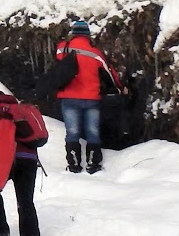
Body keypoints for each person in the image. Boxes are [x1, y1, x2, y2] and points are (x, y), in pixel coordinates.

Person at [39, 19, 123, 174]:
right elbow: (109, 73)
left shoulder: (62, 49)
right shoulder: (95, 53)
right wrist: (119, 87)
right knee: (93, 131)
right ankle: (93, 165)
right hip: (91, 98)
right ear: (88, 35)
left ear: (73, 33)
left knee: (72, 131)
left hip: (69, 97)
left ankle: (74, 165)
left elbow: (57, 68)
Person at [0, 89, 45, 236]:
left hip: (7, 158)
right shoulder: (20, 109)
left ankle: (1, 235)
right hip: (29, 159)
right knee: (26, 202)